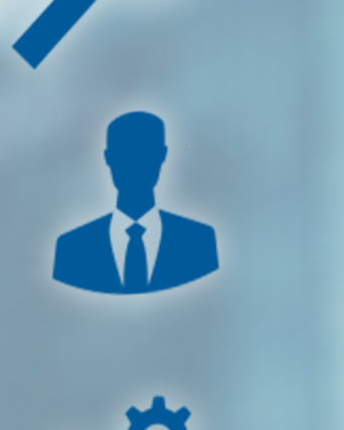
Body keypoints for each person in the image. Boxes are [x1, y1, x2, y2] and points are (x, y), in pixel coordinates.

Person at [49, 110, 221, 295]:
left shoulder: (199, 243)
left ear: (162, 155)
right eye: (125, 152)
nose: (134, 163)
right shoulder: (73, 250)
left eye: (144, 152)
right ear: (108, 158)